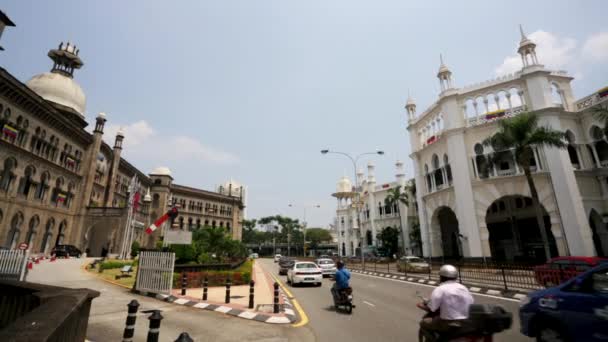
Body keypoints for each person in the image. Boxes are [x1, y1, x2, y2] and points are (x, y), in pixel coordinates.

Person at [419, 264, 474, 336]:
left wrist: (422, 305)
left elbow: (432, 308)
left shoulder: (440, 289)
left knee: (423, 323)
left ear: (441, 277)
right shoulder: (463, 288)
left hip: (447, 323)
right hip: (465, 322)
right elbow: (471, 302)